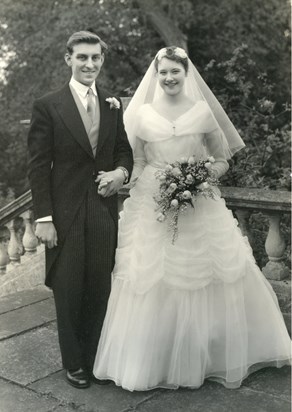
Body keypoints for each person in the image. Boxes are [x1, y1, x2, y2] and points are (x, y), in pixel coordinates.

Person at [93, 46, 291, 391]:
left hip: (198, 200)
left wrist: (198, 176)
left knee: (211, 272)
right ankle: (155, 356)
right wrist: (131, 181)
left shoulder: (202, 111)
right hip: (154, 202)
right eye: (163, 72)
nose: (169, 78)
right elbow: (137, 161)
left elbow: (222, 158)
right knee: (151, 276)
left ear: (186, 75)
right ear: (155, 76)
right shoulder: (141, 115)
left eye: (175, 72)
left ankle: (209, 353)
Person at [27, 30, 133, 389]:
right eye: (83, 57)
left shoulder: (111, 103)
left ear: (102, 61)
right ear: (68, 59)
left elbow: (123, 150)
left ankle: (94, 360)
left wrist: (121, 173)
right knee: (69, 288)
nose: (90, 64)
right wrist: (44, 218)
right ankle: (74, 364)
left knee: (100, 288)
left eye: (96, 58)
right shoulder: (48, 105)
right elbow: (38, 166)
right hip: (64, 213)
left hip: (103, 212)